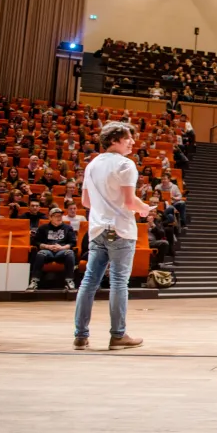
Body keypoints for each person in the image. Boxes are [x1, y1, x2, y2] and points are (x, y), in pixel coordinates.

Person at [73, 121, 152, 351]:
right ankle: (118, 336)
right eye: (128, 138)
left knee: (88, 283)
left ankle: (80, 335)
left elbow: (86, 202)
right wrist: (144, 208)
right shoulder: (126, 165)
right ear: (114, 140)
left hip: (97, 229)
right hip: (120, 230)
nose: (132, 142)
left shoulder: (92, 164)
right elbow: (129, 202)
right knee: (119, 282)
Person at [29, 208, 78, 292]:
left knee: (70, 253)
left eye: (60, 216)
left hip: (62, 251)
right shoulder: (43, 228)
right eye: (56, 216)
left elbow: (73, 243)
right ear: (50, 217)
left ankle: (69, 281)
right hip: (47, 251)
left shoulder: (68, 228)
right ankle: (34, 281)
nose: (59, 218)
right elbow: (35, 242)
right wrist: (47, 246)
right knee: (40, 254)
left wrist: (62, 247)